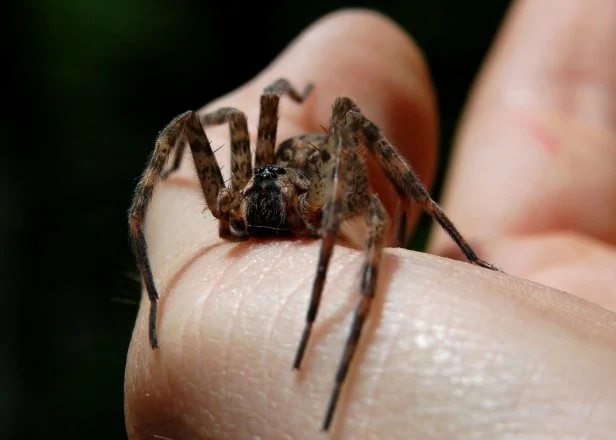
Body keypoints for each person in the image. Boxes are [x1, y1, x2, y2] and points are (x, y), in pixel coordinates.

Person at [125, 3, 616, 438]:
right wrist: (156, 293)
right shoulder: (237, 186)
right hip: (280, 178)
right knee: (205, 117)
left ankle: (445, 234)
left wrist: (318, 303)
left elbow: (365, 195)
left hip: (310, 183)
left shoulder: (317, 196)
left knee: (346, 116)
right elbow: (218, 116)